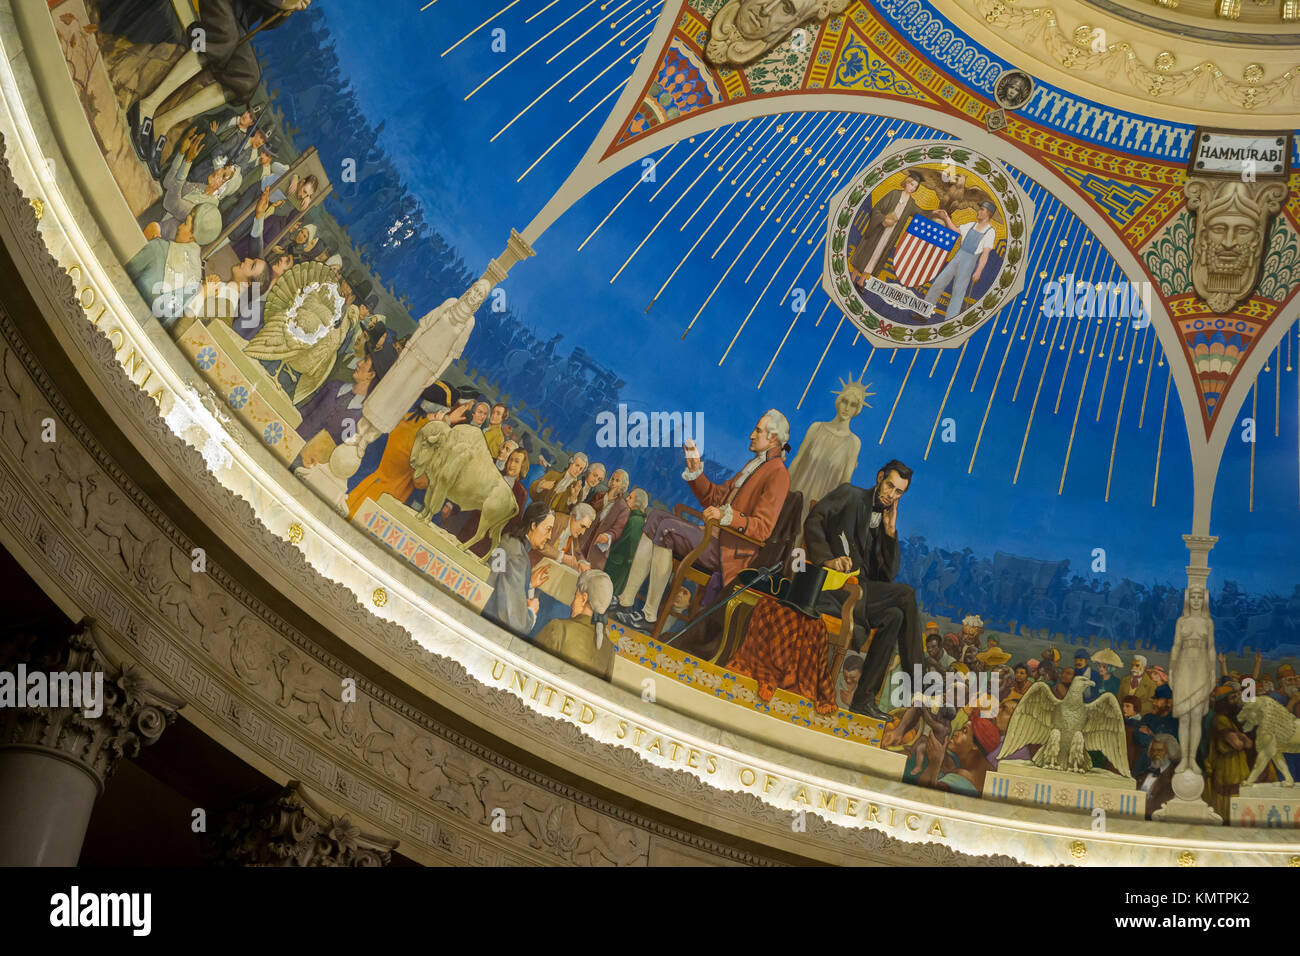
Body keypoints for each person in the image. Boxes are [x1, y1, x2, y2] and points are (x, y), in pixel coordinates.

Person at [612, 411, 791, 632]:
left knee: (666, 529)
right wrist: (696, 471)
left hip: (729, 551)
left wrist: (727, 516)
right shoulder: (754, 464)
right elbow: (715, 498)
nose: (751, 436)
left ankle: (649, 615)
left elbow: (763, 529)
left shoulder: (778, 474)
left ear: (773, 438)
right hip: (714, 538)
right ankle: (626, 601)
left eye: (758, 431)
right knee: (657, 516)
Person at [127, 0, 312, 178]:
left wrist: (288, 9)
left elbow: (267, 20)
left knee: (248, 78)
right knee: (223, 39)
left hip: (236, 21)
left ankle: (163, 123)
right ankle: (146, 106)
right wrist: (283, 2)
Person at [802, 460, 921, 720]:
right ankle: (920, 681)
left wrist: (890, 535)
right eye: (890, 485)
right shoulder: (850, 494)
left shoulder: (884, 520)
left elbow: (887, 576)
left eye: (899, 492)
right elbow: (814, 520)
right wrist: (827, 559)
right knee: (907, 595)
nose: (891, 494)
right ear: (879, 477)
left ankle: (863, 700)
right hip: (834, 588)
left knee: (895, 617)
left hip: (862, 595)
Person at [787, 376, 867, 534]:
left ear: (857, 410)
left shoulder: (853, 443)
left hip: (820, 507)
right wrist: (783, 490)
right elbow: (797, 460)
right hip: (795, 496)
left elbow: (845, 483)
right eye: (845, 401)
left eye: (852, 405)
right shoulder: (816, 428)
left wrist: (835, 515)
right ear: (839, 401)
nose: (847, 408)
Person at [483, 501, 552, 636]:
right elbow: (515, 620)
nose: (549, 536)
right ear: (533, 525)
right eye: (548, 529)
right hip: (492, 628)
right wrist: (531, 612)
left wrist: (529, 583)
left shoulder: (508, 539)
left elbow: (499, 577)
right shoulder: (519, 558)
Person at [535, 569, 617, 680]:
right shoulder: (610, 650)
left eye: (575, 596)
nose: (572, 603)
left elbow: (530, 666)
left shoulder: (559, 628)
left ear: (584, 599)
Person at [922, 201, 998, 316]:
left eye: (982, 209)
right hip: (958, 257)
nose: (979, 211)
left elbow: (985, 254)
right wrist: (946, 217)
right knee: (939, 282)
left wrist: (978, 271)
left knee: (958, 291)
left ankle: (949, 320)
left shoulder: (990, 232)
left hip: (969, 262)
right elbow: (956, 230)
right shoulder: (971, 224)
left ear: (988, 213)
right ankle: (923, 311)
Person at [849, 169, 925, 279]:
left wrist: (935, 213)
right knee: (866, 252)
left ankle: (861, 281)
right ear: (906, 182)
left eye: (915, 187)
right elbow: (876, 209)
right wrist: (883, 219)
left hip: (889, 235)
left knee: (876, 256)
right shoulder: (894, 194)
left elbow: (922, 213)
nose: (912, 188)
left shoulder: (911, 204)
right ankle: (853, 277)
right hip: (878, 228)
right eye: (911, 184)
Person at [579, 468, 630, 571]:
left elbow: (618, 529)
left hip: (597, 548)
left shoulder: (624, 507)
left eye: (617, 480)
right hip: (584, 538)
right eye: (612, 479)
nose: (613, 482)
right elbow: (589, 510)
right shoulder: (600, 495)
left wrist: (607, 536)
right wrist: (607, 498)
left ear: (623, 485)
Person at [604, 488, 648, 596]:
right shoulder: (634, 517)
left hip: (618, 564)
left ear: (637, 502)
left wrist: (610, 548)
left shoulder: (635, 521)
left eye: (630, 497)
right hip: (617, 562)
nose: (627, 498)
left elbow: (629, 545)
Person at [1133, 684, 1178, 772]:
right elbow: (1137, 736)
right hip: (1143, 768)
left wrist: (1152, 736)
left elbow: (1174, 747)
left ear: (1169, 702)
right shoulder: (1148, 718)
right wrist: (1157, 739)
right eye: (1154, 699)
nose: (1153, 703)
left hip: (1168, 771)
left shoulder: (1177, 722)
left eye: (1158, 700)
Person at [542, 504, 595, 572]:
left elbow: (577, 551)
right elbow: (539, 543)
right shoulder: (555, 521)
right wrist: (561, 556)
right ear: (573, 517)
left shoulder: (573, 531)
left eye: (586, 528)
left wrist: (582, 562)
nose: (583, 532)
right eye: (582, 526)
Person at [1139, 734, 1179, 819]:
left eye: (1159, 750)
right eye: (1153, 750)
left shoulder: (1175, 777)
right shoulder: (1144, 774)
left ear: (1170, 752)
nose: (1155, 753)